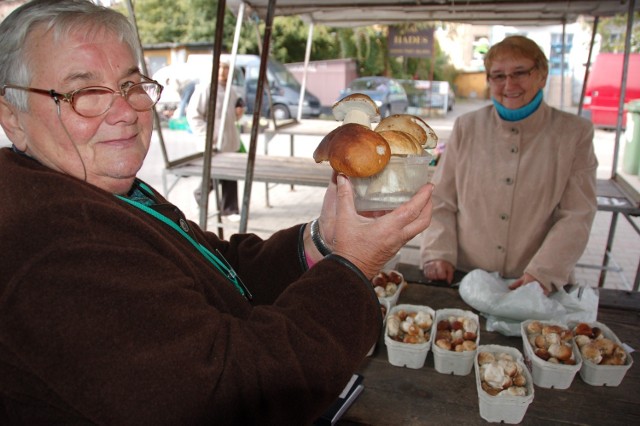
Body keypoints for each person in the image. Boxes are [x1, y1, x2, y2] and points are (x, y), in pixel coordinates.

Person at [0, 1, 433, 424]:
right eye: (86, 92)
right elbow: (231, 395)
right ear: (11, 116)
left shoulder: (92, 185)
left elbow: (214, 269)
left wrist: (322, 239)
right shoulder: (51, 241)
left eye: (131, 85)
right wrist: (354, 265)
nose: (125, 112)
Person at [420, 35, 598, 296]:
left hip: (535, 285)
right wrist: (438, 252)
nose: (509, 84)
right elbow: (442, 199)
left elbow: (577, 214)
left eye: (520, 73)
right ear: (489, 80)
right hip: (466, 277)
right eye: (499, 76)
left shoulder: (574, 133)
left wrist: (543, 274)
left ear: (542, 75)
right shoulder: (467, 127)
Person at [187, 60, 244, 220]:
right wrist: (207, 135)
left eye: (226, 68)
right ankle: (199, 196)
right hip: (212, 141)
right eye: (220, 68)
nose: (223, 72)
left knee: (230, 175)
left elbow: (232, 115)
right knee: (213, 175)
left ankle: (230, 209)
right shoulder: (205, 89)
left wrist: (238, 113)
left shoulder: (231, 91)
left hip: (229, 139)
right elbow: (193, 115)